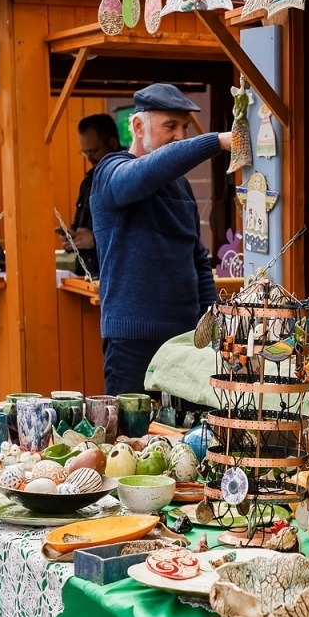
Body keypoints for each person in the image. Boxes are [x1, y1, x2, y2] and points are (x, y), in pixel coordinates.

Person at [91, 83, 234, 395]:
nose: (180, 135)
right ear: (138, 125)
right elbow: (148, 173)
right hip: (133, 343)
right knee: (132, 439)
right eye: (170, 125)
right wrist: (217, 141)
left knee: (188, 438)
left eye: (184, 126)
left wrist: (210, 326)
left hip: (185, 342)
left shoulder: (181, 187)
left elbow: (196, 256)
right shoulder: (111, 172)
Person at [64, 112, 122, 278]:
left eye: (93, 151)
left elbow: (138, 232)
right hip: (87, 274)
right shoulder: (88, 181)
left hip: (114, 276)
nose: (89, 158)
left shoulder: (127, 177)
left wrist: (95, 239)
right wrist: (72, 239)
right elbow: (79, 224)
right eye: (85, 153)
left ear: (112, 142)